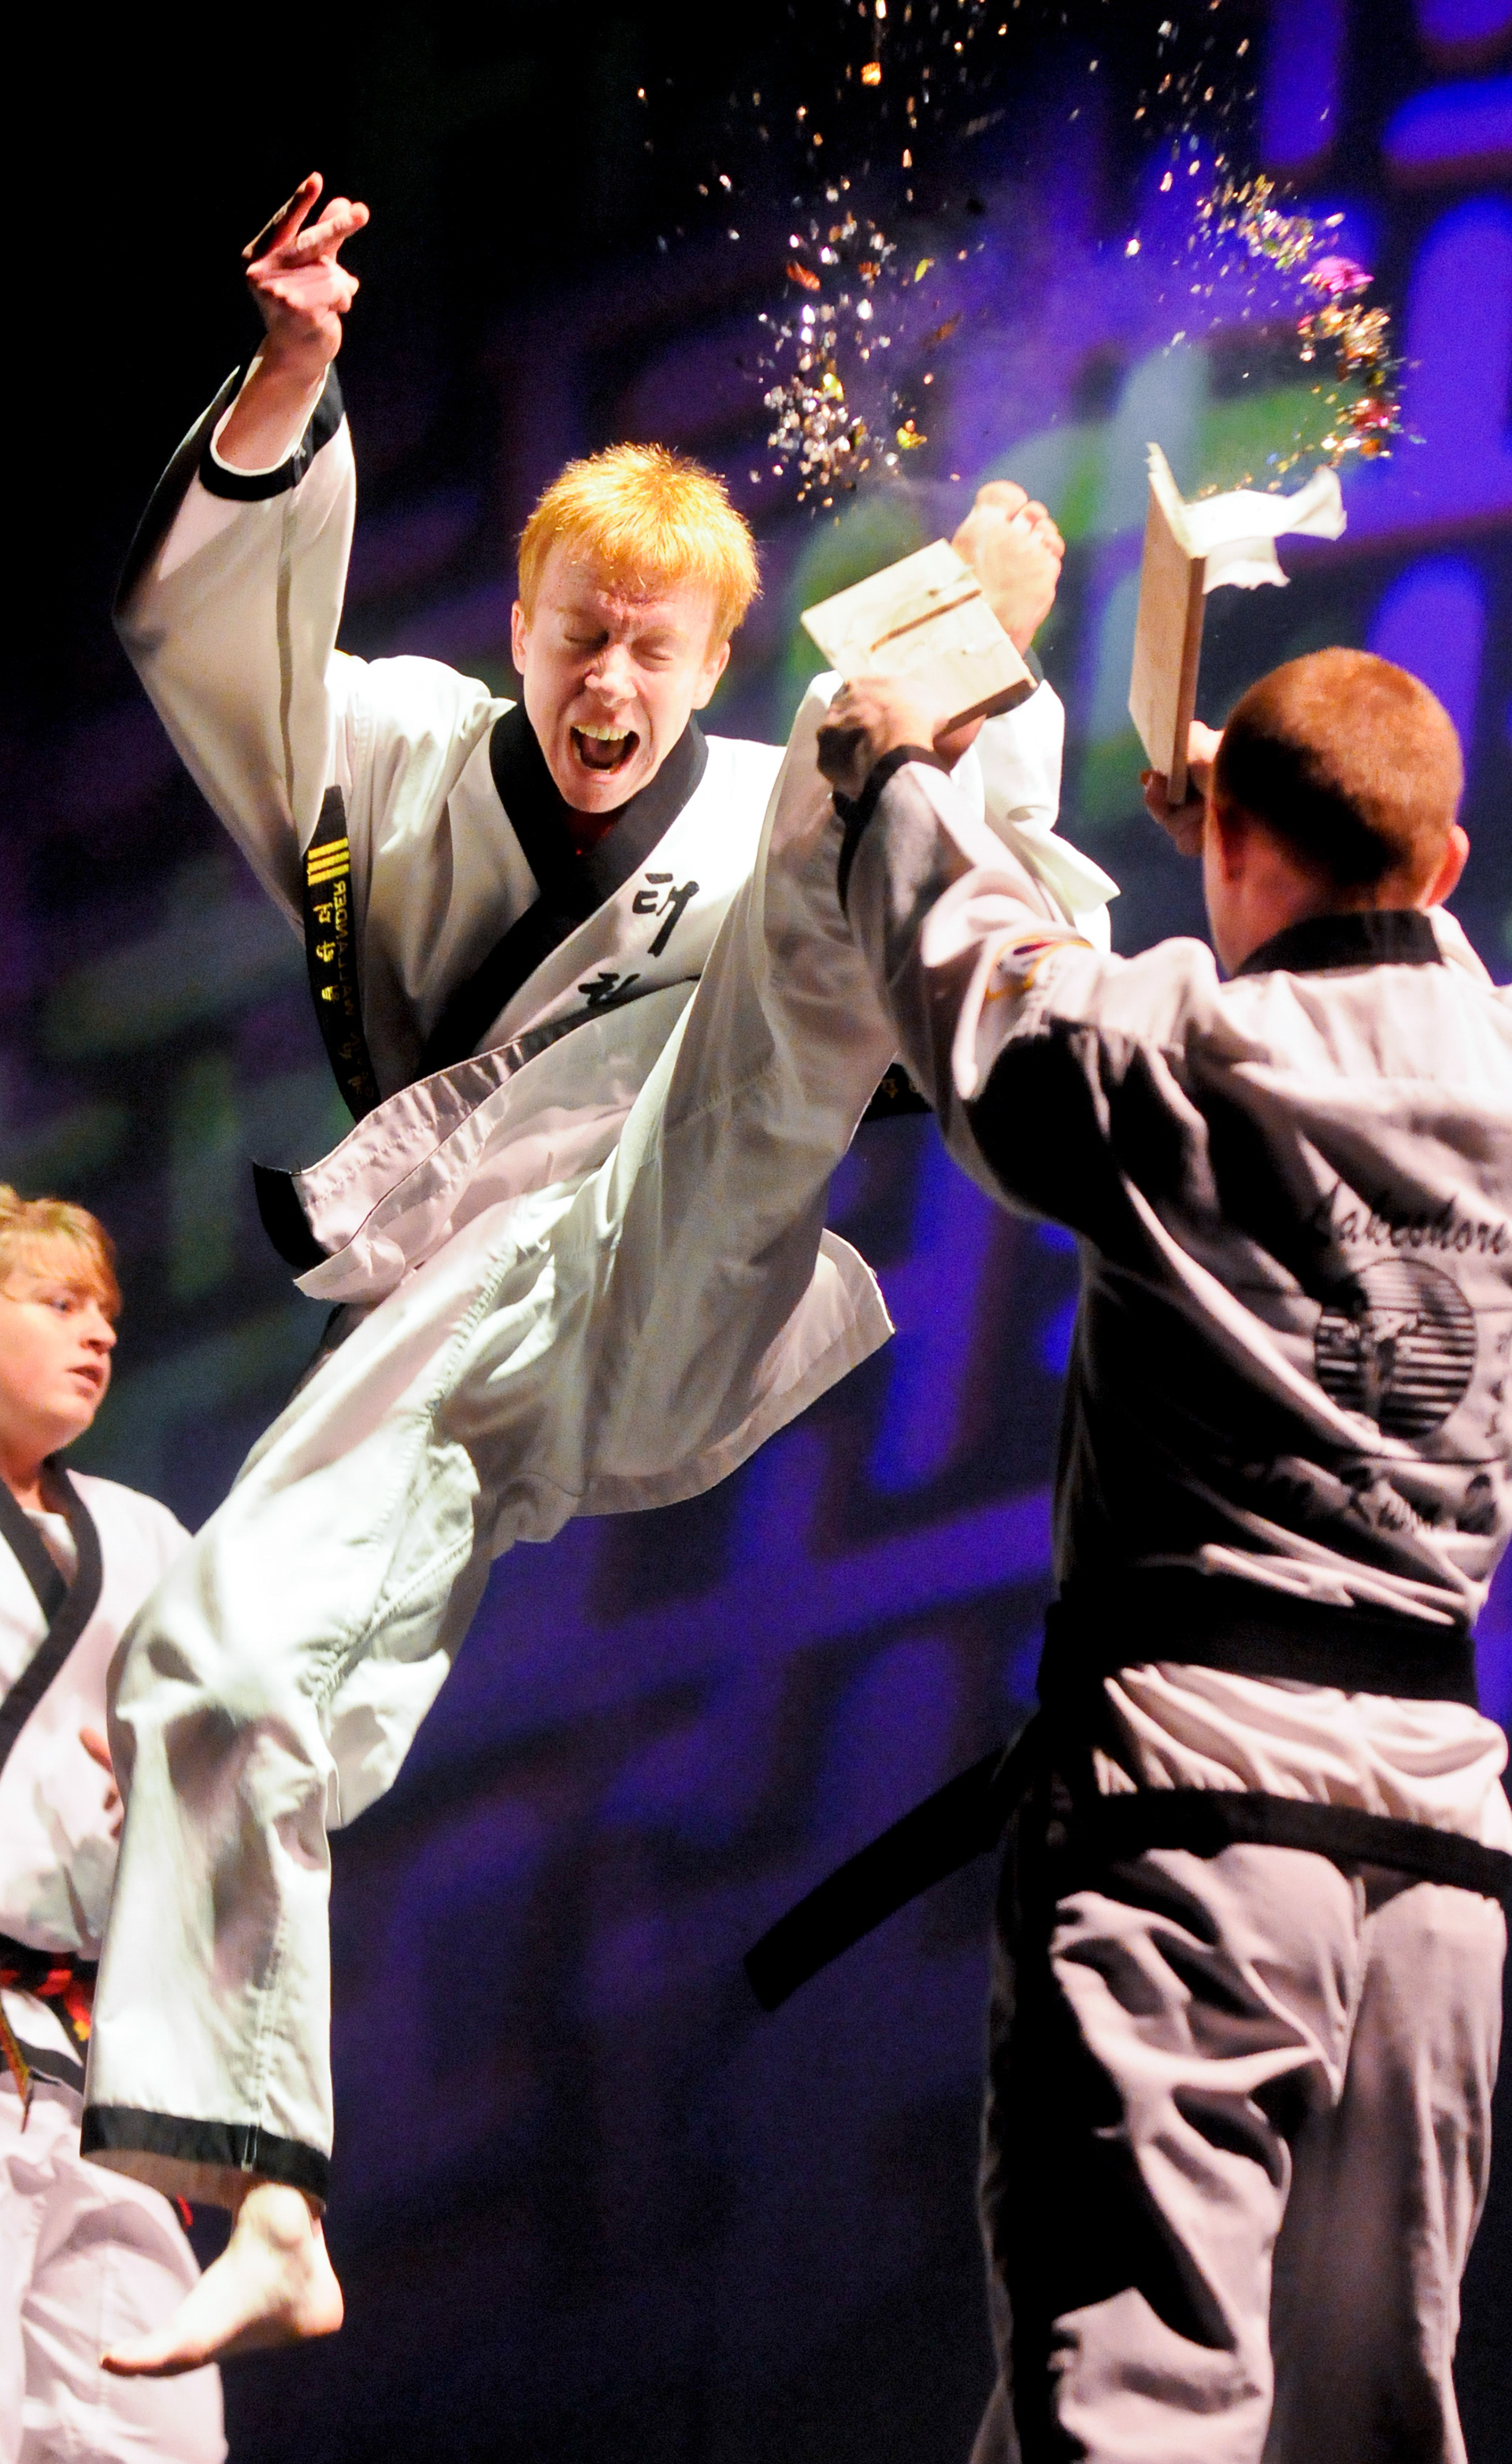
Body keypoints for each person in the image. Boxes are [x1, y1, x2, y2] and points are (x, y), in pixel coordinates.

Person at [87, 172, 1117, 2375]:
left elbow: (999, 956)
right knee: (213, 1644)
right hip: (461, 1323)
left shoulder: (761, 801)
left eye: (657, 642)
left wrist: (981, 682)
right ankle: (260, 2177)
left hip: (668, 1260)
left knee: (859, 832)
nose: (611, 676)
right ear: (526, 622)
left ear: (712, 656)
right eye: (580, 629)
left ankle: (956, 680)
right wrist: (287, 376)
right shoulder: (390, 761)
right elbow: (218, 646)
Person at [817, 647, 1512, 2463]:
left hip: (1195, 1816)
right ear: (1444, 867)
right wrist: (1282, 832)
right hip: (1441, 1852)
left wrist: (892, 773)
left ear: (1230, 842)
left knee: (1137, 2408)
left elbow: (978, 988)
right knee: (1374, 2422)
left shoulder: (1176, 1046)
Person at [0, 1187, 224, 2463]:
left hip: (91, 2050)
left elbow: (230, 1756)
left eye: (110, 1315)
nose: (98, 1334)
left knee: (148, 2425)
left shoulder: (143, 1539)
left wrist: (181, 1799)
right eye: (58, 1301)